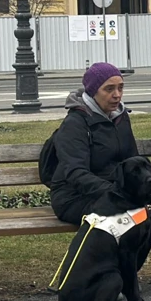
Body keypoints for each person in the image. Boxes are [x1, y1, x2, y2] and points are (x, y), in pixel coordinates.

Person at [49, 63, 138, 225]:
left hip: (114, 192)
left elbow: (132, 160)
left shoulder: (121, 117)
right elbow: (76, 172)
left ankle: (132, 251)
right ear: (93, 91)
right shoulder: (75, 123)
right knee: (125, 217)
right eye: (109, 89)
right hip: (73, 196)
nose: (117, 95)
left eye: (120, 88)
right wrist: (115, 192)